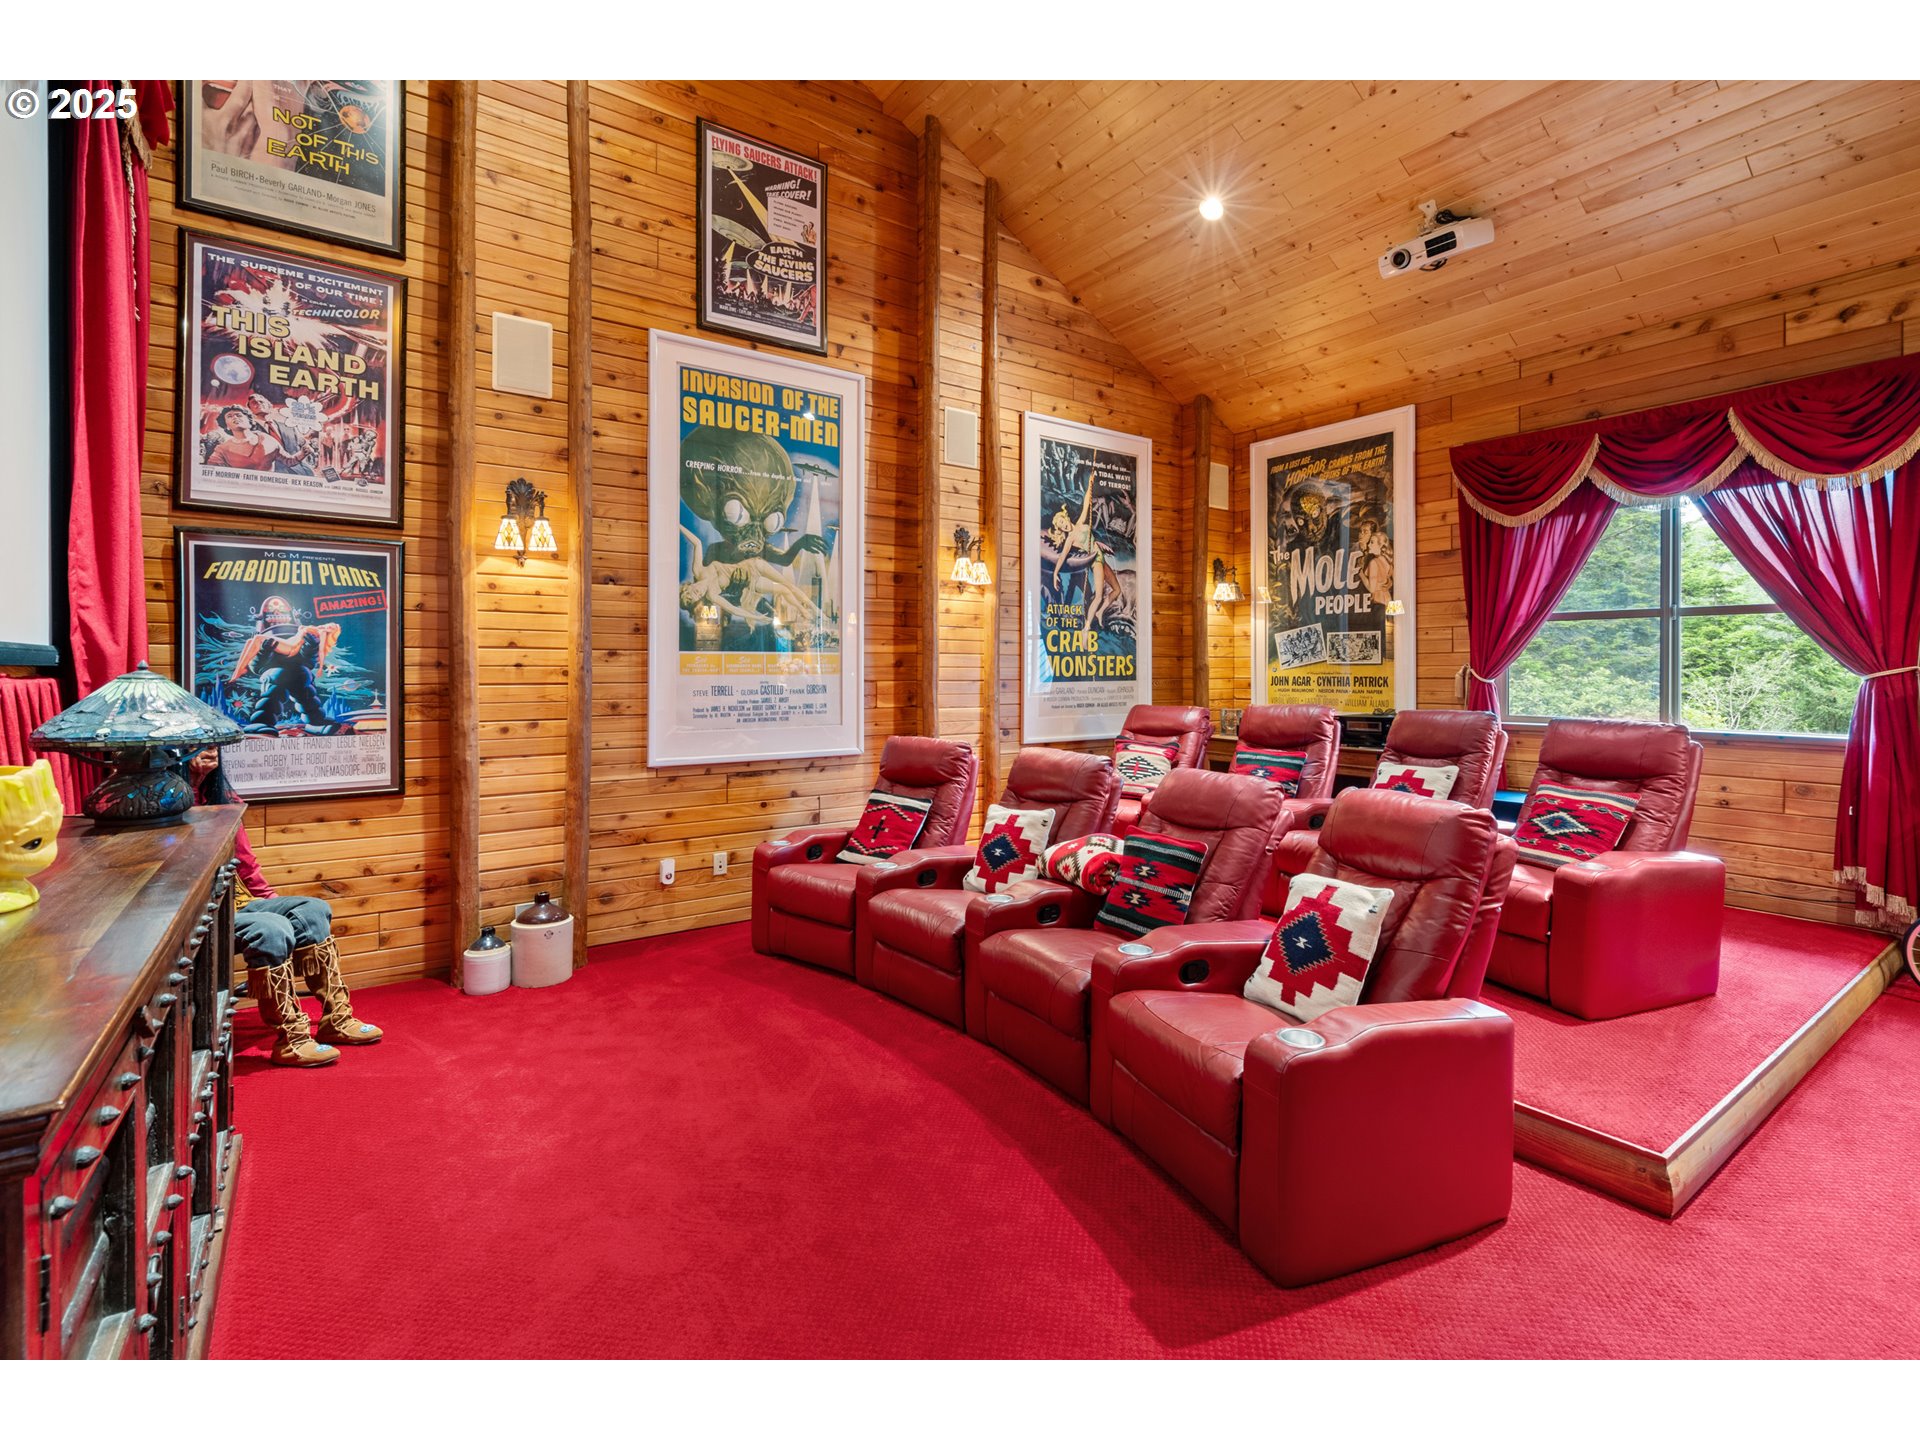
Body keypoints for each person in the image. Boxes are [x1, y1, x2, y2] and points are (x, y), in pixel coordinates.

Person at [189, 748, 383, 1067]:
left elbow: (245, 862)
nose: (209, 752)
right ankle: (291, 1037)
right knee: (271, 929)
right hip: (197, 913)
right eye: (200, 747)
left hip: (238, 900)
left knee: (312, 911)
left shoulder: (221, 795)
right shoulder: (166, 798)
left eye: (214, 746)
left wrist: (270, 901)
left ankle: (336, 1019)